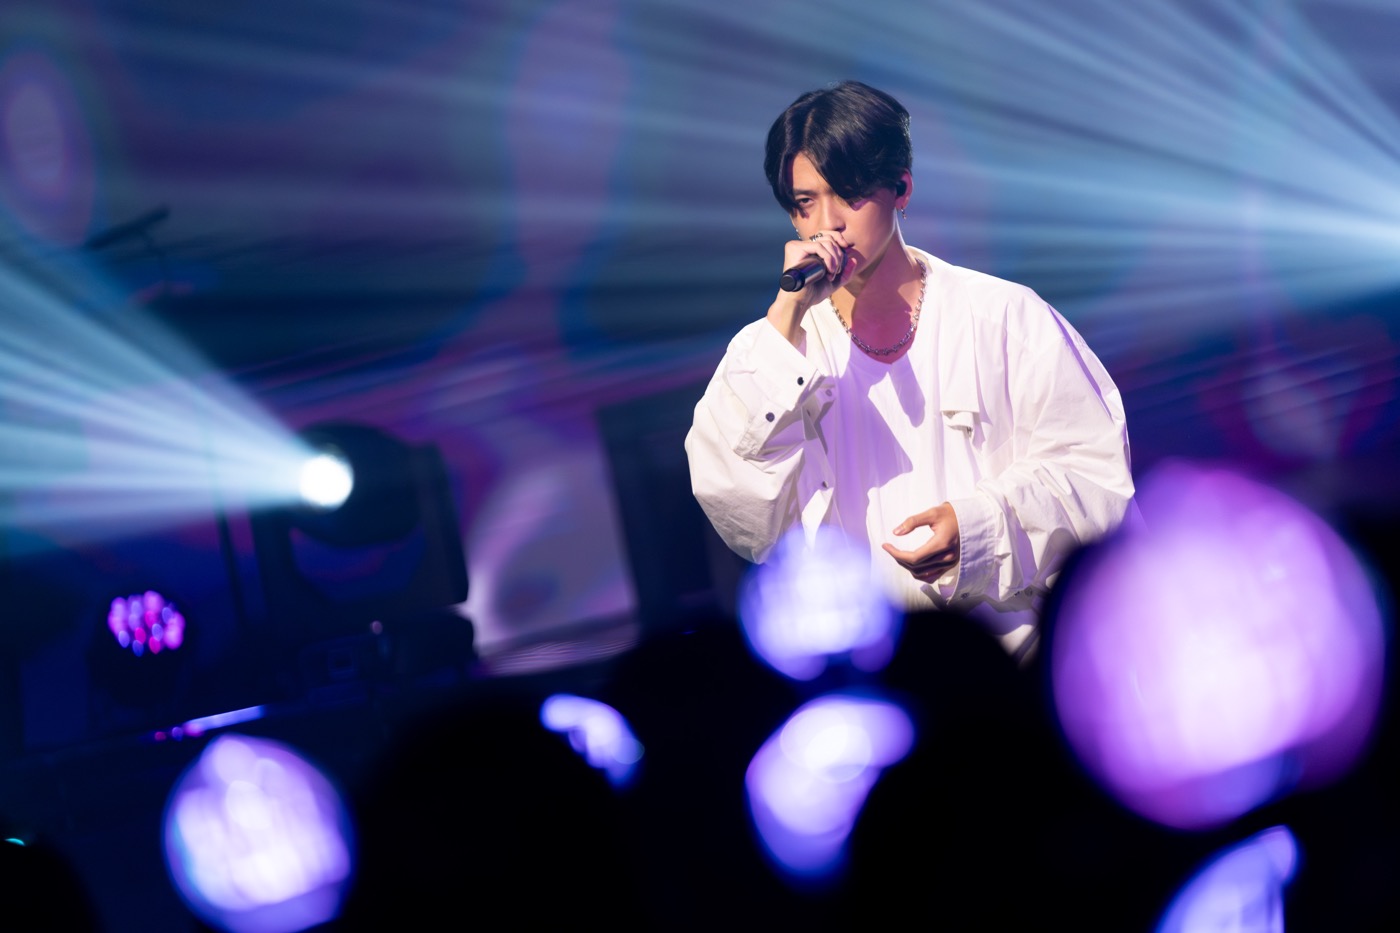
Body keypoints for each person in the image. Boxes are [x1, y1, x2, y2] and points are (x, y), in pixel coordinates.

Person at [684, 80, 1135, 660]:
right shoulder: (771, 350)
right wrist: (787, 314)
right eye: (805, 203)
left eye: (848, 194)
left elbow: (1097, 484)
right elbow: (740, 512)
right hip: (867, 669)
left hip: (1016, 663)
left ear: (901, 188)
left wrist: (979, 530)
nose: (827, 225)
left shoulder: (1003, 317)